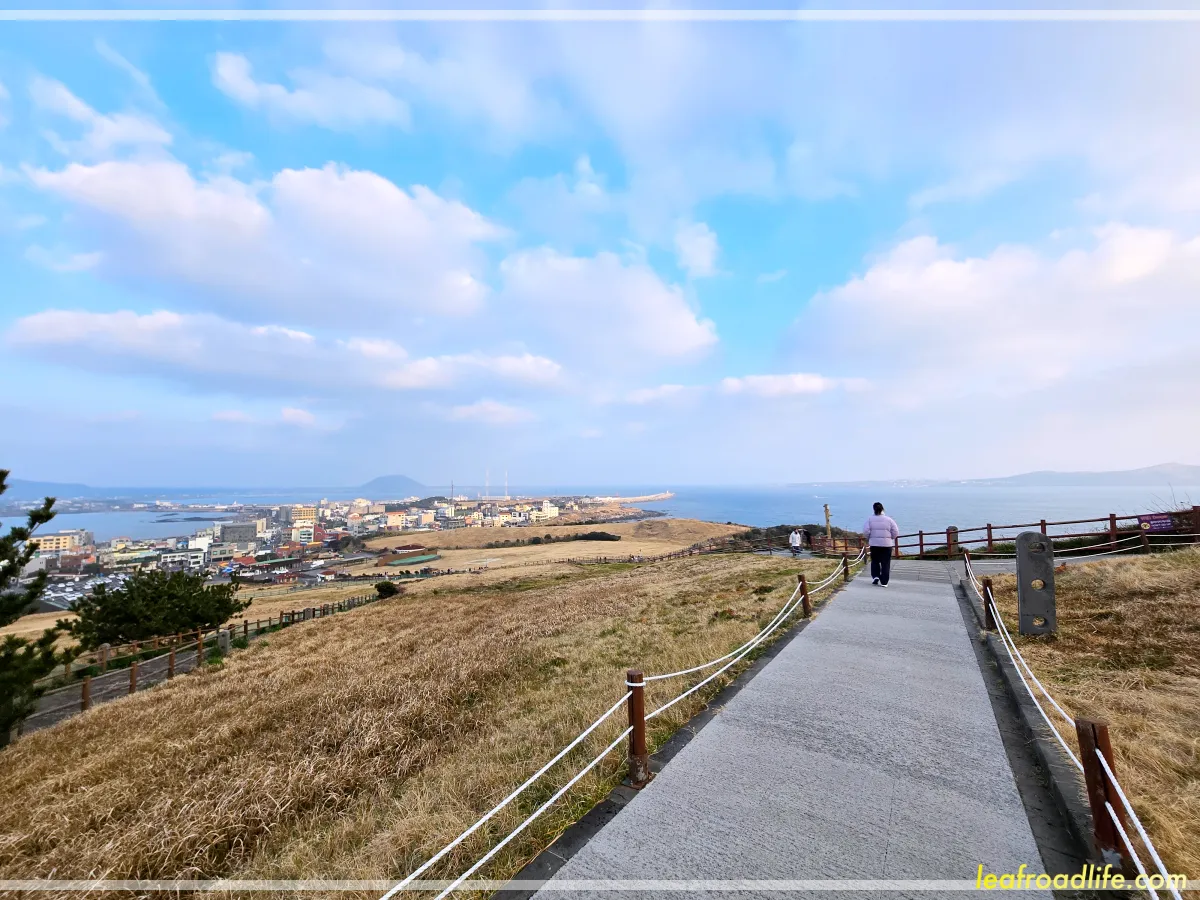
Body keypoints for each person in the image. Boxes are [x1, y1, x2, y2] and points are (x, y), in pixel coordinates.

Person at [862, 502, 900, 587]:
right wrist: (891, 538)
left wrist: (869, 538)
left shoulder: (869, 519)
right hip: (887, 545)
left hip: (874, 544)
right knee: (885, 563)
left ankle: (875, 576)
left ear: (874, 509)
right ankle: (884, 582)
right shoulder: (889, 520)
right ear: (882, 509)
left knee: (875, 561)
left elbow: (866, 531)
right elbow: (895, 531)